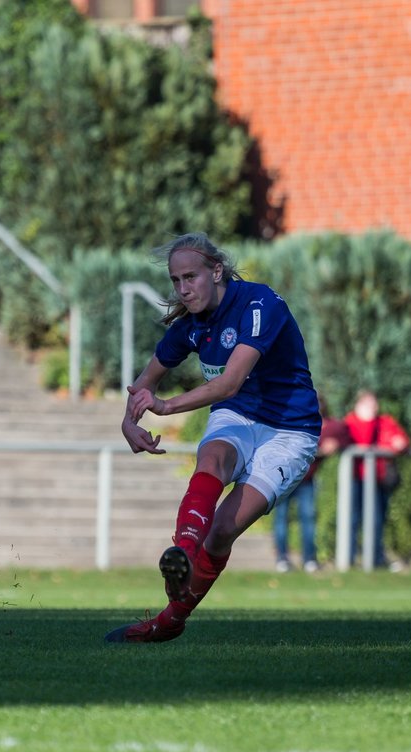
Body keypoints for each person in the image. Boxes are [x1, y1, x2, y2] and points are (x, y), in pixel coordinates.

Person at [106, 232, 322, 643]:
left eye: (191, 277)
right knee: (212, 462)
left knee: (223, 529)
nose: (184, 289)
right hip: (239, 415)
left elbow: (229, 383)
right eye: (176, 281)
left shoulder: (261, 304)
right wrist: (128, 419)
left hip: (290, 431)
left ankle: (170, 620)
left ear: (216, 270)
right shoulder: (190, 327)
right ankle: (183, 556)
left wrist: (166, 407)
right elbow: (145, 380)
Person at [273, 396, 349, 573]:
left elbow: (347, 436)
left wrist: (337, 444)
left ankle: (309, 559)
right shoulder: (290, 422)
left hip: (306, 481)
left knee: (308, 519)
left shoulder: (330, 427)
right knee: (281, 519)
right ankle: (282, 559)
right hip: (283, 479)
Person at [345, 389, 410, 570]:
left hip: (378, 479)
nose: (373, 407)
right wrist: (367, 422)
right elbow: (363, 443)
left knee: (377, 520)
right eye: (368, 403)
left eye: (374, 403)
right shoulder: (351, 421)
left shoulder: (385, 422)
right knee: (353, 519)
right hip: (357, 479)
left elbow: (401, 441)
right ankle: (348, 559)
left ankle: (375, 558)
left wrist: (394, 444)